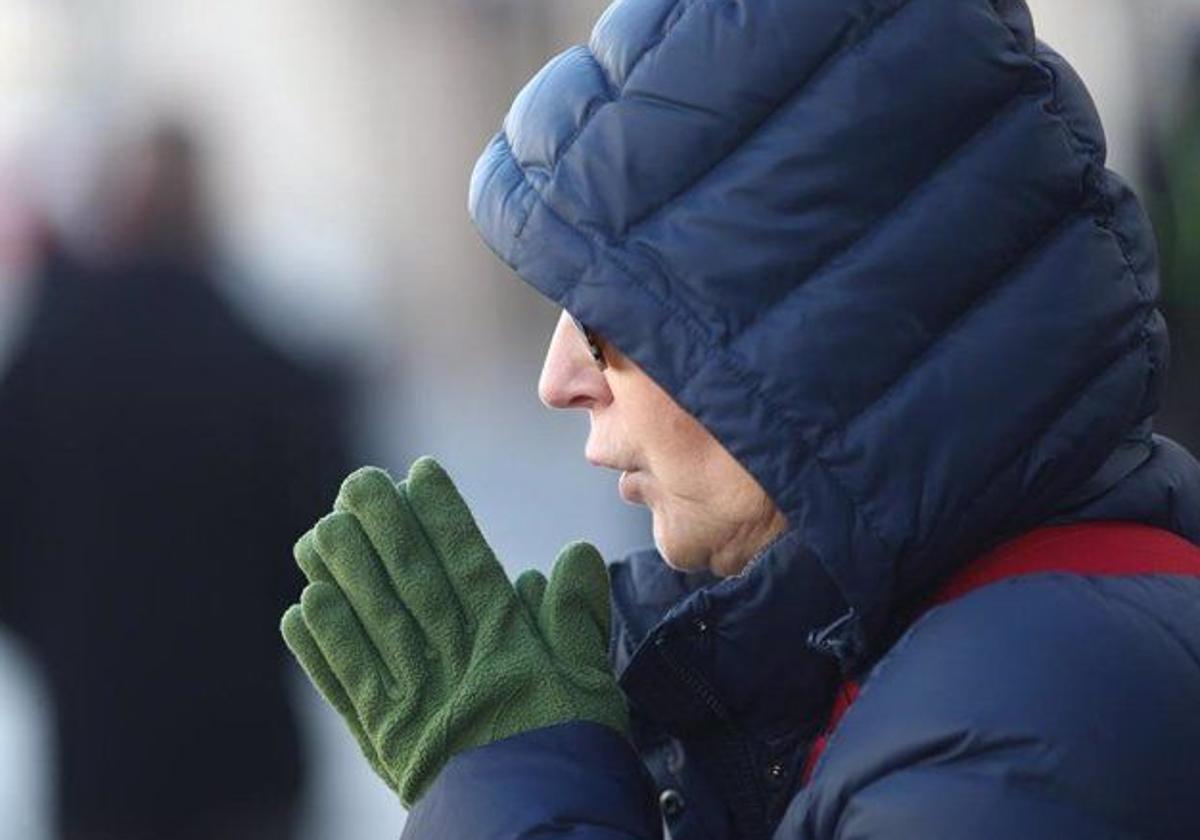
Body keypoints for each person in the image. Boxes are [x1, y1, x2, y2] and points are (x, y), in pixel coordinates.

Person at [281, 0, 1200, 837]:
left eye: (608, 319)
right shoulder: (949, 670)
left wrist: (512, 782)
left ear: (805, 334)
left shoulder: (1022, 719)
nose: (560, 379)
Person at [0, 125, 351, 840]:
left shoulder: (43, 361)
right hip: (245, 746)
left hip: (101, 750)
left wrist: (63, 643)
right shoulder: (267, 363)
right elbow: (328, 548)